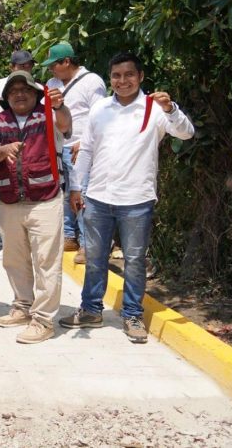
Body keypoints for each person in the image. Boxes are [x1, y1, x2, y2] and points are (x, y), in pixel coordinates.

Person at [60, 52, 195, 344]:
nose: (123, 81)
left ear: (141, 76)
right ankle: (91, 310)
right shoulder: (100, 108)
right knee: (95, 258)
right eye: (117, 76)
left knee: (134, 260)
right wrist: (75, 187)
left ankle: (132, 315)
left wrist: (171, 108)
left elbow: (186, 133)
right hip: (97, 197)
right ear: (111, 79)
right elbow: (87, 150)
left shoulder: (155, 108)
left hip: (137, 199)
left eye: (129, 75)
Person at [0, 71, 71, 344]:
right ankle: (22, 306)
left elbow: (66, 124)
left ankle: (44, 320)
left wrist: (59, 106)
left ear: (36, 94)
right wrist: (3, 150)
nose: (20, 95)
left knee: (47, 262)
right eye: (13, 91)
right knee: (14, 259)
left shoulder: (48, 114)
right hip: (10, 200)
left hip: (45, 200)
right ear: (6, 97)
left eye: (26, 90)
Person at [39, 42, 108, 258]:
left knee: (82, 195)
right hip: (59, 147)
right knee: (65, 194)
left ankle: (88, 245)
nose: (51, 70)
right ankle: (69, 236)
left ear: (66, 61)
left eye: (54, 65)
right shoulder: (52, 83)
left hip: (81, 147)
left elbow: (99, 114)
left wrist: (86, 142)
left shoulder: (92, 81)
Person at [0, 49, 36, 261]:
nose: (26, 69)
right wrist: (1, 98)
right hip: (1, 148)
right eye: (21, 66)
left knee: (34, 195)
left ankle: (30, 241)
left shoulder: (35, 86)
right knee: (2, 195)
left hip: (32, 150)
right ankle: (5, 242)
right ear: (12, 67)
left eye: (29, 65)